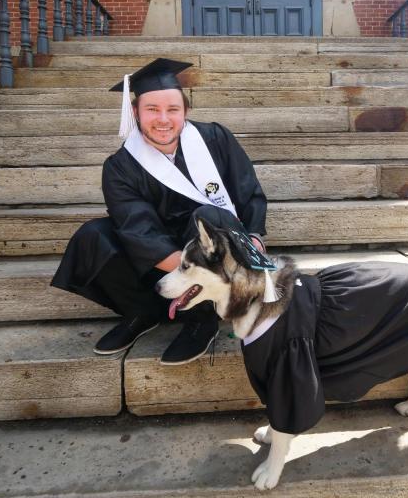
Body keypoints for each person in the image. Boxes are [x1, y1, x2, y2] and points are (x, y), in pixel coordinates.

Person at [51, 58, 267, 365]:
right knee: (92, 237)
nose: (163, 119)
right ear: (136, 112)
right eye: (152, 109)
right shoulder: (121, 167)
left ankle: (201, 321)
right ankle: (143, 312)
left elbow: (248, 193)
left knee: (209, 216)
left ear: (186, 112)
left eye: (173, 109)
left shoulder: (215, 139)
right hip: (161, 261)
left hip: (215, 250)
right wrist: (188, 272)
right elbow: (138, 231)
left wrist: (253, 246)